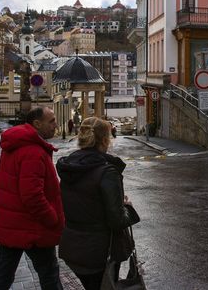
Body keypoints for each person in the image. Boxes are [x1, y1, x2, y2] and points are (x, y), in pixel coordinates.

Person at [57, 117, 140, 290]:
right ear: (105, 140)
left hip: (72, 246)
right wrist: (128, 207)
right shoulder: (107, 171)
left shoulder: (69, 166)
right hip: (100, 250)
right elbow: (116, 220)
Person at [0, 107, 64, 290]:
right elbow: (32, 196)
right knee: (49, 275)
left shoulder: (17, 144)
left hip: (12, 224)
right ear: (37, 124)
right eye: (51, 121)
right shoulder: (33, 152)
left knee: (3, 274)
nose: (55, 125)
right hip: (32, 227)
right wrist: (52, 218)